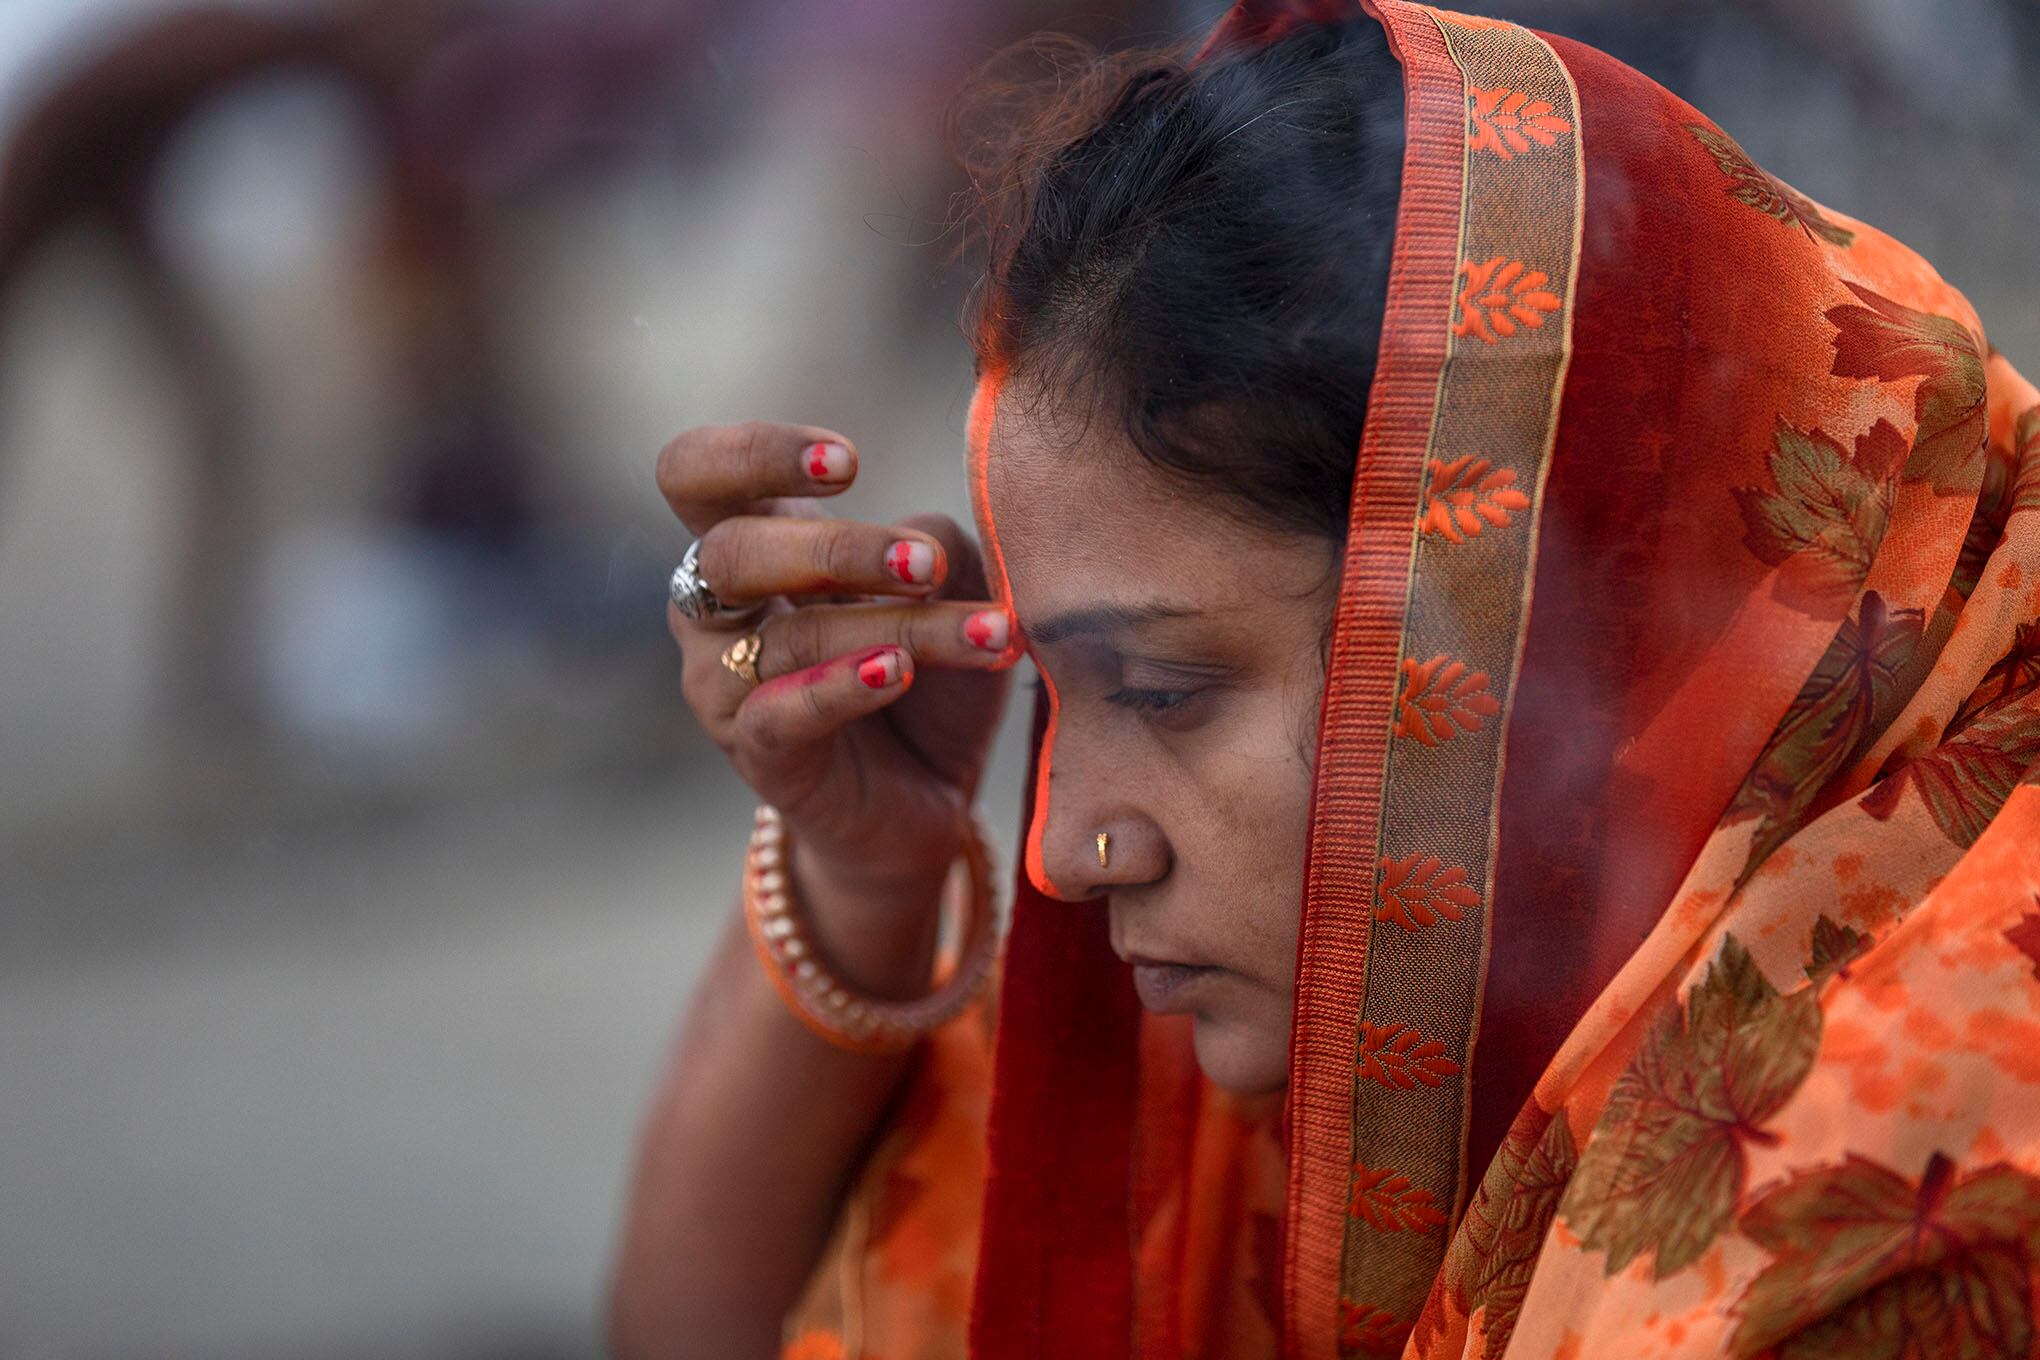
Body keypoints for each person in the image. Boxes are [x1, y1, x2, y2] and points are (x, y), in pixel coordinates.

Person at [608, 1, 2040, 1356]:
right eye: (1059, 692)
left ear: (1542, 629)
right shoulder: (1379, 994)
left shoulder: (1890, 1204)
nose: (1059, 851)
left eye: (1165, 693)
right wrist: (861, 869)